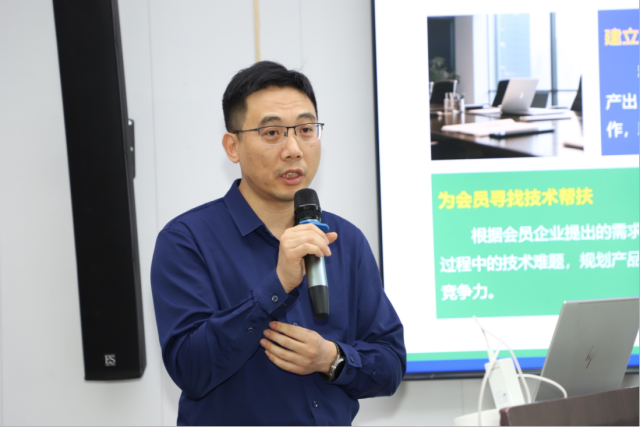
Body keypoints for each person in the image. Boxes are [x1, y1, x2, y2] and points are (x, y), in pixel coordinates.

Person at [151, 61, 406, 426]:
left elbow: (391, 364)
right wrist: (278, 285)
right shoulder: (186, 240)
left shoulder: (344, 239)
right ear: (233, 146)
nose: (293, 149)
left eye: (306, 130)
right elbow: (191, 369)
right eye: (272, 133)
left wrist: (331, 359)